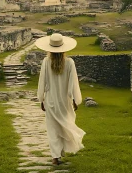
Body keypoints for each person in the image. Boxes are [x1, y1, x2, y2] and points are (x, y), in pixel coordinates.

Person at [35, 33, 85, 165]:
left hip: (51, 100)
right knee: (65, 125)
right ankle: (59, 153)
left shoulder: (46, 62)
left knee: (53, 129)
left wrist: (41, 99)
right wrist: (75, 99)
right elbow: (73, 83)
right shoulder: (69, 62)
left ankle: (56, 157)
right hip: (64, 101)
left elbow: (42, 82)